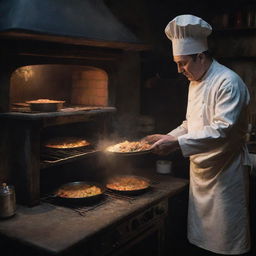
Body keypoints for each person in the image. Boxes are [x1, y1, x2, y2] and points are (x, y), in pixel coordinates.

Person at [145, 14, 251, 255]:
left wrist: (176, 143)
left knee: (226, 242)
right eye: (177, 63)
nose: (180, 70)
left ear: (200, 56)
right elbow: (190, 123)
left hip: (225, 174)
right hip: (201, 172)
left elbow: (222, 130)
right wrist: (167, 136)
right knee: (202, 243)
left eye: (183, 63)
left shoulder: (228, 82)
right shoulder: (195, 81)